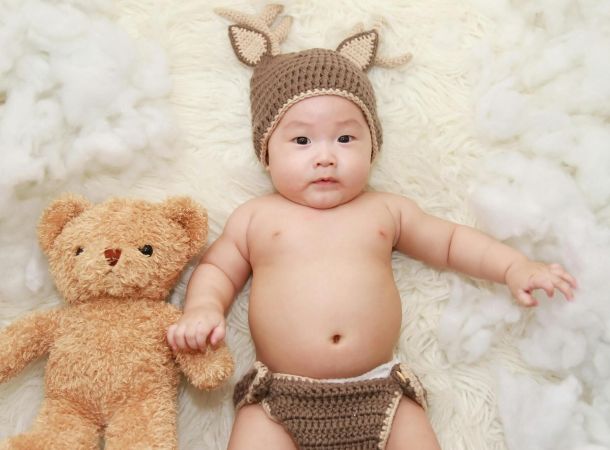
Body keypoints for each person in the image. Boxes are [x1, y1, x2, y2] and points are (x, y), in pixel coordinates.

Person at [167, 5, 578, 449]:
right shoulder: (256, 217)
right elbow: (217, 269)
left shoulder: (385, 210)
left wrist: (513, 267)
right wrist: (203, 308)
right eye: (301, 140)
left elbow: (452, 242)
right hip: (279, 397)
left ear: (372, 146)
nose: (326, 157)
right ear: (266, 152)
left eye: (345, 138)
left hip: (381, 391)